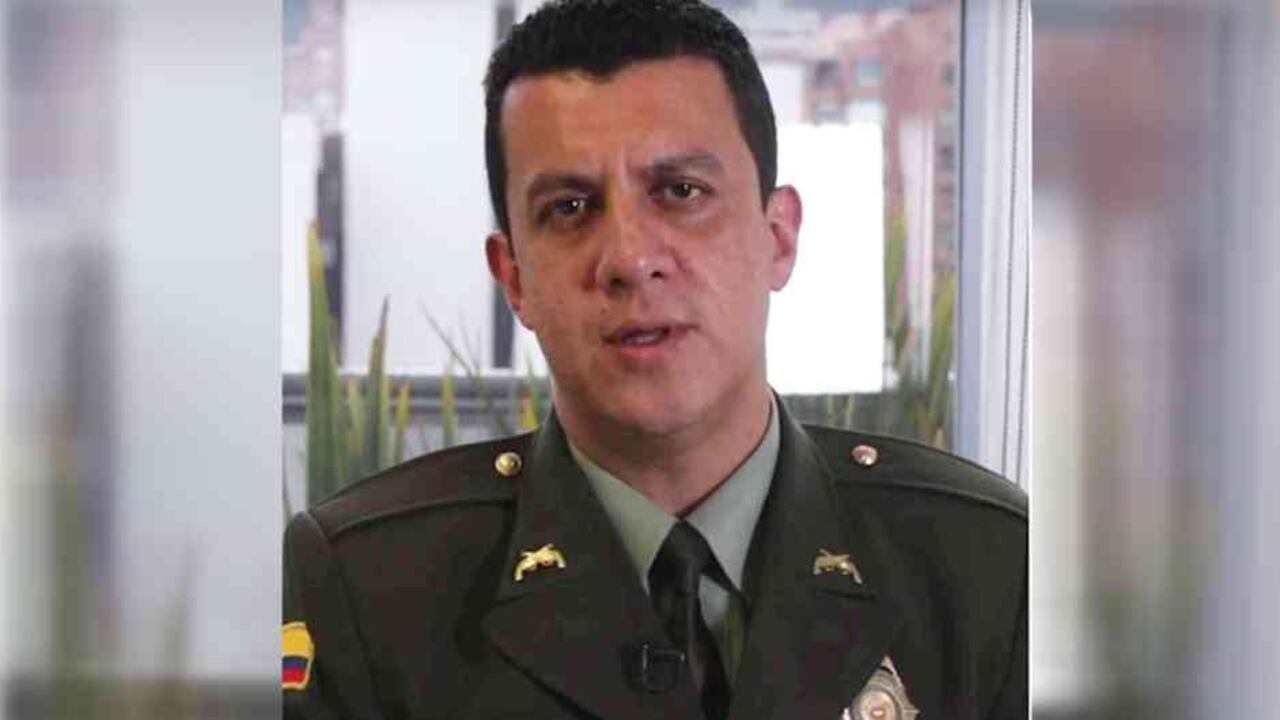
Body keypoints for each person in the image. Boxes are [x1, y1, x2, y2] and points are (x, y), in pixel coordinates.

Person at [283, 1, 1027, 718]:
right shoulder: (367, 591)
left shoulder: (987, 567)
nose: (630, 259)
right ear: (514, 279)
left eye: (681, 191)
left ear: (778, 238)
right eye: (570, 207)